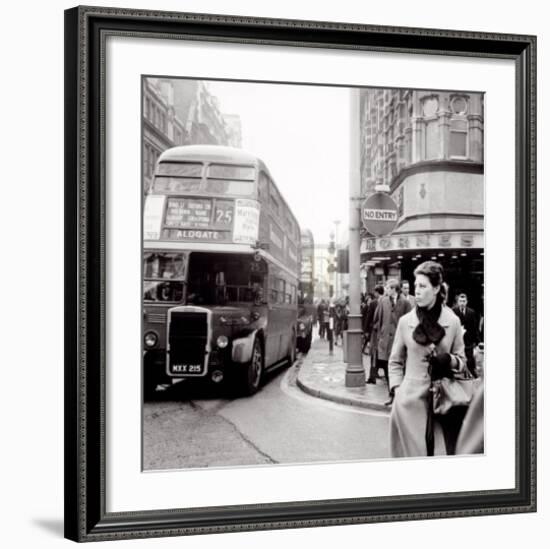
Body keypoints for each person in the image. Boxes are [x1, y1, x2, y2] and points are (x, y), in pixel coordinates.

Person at [388, 261, 467, 457]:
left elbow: (463, 362)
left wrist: (448, 360)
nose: (418, 291)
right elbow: (395, 361)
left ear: (437, 288)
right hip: (408, 403)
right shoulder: (406, 322)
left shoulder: (453, 321)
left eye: (423, 286)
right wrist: (398, 391)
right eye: (416, 286)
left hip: (444, 403)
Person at [373, 279, 412, 403]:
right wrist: (380, 335)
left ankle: (398, 394)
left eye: (388, 288)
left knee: (399, 367)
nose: (386, 290)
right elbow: (377, 319)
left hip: (399, 340)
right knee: (386, 366)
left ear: (394, 289)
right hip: (385, 341)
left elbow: (410, 321)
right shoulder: (383, 301)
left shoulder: (405, 303)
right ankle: (392, 393)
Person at [452, 293, 480, 378]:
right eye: (460, 301)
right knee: (459, 360)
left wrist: (477, 341)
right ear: (458, 302)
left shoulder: (471, 312)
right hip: (458, 340)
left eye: (464, 301)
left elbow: (474, 328)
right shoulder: (454, 311)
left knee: (470, 360)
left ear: (466, 302)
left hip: (468, 341)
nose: (462, 303)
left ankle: (473, 377)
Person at [364, 285, 384, 380]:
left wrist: (366, 331)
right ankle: (375, 373)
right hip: (383, 332)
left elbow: (368, 318)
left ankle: (373, 375)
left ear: (376, 292)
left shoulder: (373, 303)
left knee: (374, 353)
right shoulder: (386, 301)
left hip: (375, 332)